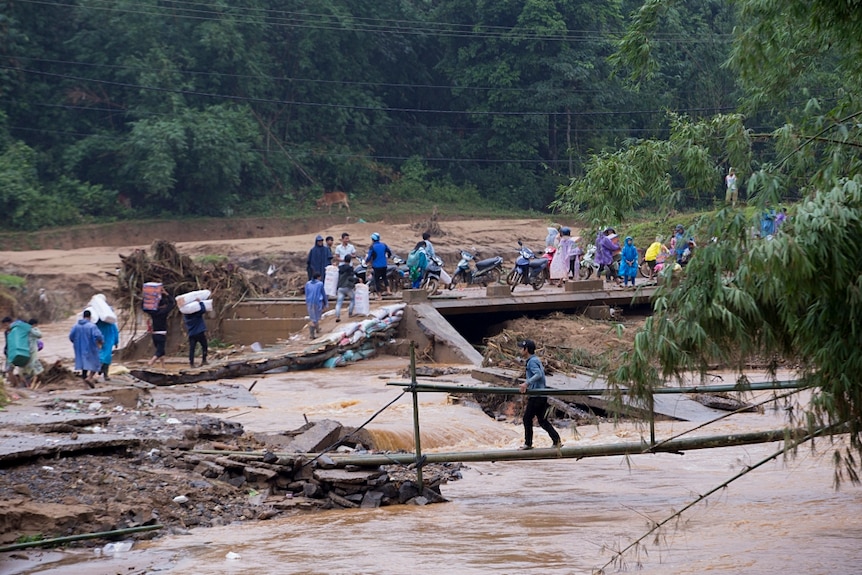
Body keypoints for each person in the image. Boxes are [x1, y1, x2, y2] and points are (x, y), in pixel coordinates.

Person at [517, 339, 562, 450]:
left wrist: (526, 384)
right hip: (541, 395)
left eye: (521, 348)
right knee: (542, 420)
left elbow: (538, 374)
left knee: (527, 419)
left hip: (537, 396)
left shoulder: (532, 361)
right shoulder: (534, 360)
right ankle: (557, 441)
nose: (519, 350)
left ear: (526, 349)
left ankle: (528, 444)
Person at [69, 309, 103, 388]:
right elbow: (98, 336)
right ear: (90, 317)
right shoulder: (92, 326)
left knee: (84, 365)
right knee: (96, 363)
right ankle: (89, 377)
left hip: (79, 349)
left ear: (83, 316)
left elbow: (71, 337)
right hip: (91, 347)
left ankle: (85, 384)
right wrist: (101, 341)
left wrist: (76, 343)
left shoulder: (75, 326)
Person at [144, 287, 174, 369]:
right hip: (161, 334)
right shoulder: (164, 312)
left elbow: (144, 307)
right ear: (164, 305)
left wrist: (147, 297)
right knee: (159, 351)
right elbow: (172, 303)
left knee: (161, 350)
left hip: (154, 334)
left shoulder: (153, 312)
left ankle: (163, 366)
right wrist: (166, 293)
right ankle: (151, 362)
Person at [365, 232, 393, 299]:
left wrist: (366, 261)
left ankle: (379, 296)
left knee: (376, 280)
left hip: (376, 266)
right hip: (384, 264)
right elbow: (389, 252)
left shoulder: (372, 247)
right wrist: (388, 257)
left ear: (372, 239)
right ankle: (388, 290)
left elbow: (369, 256)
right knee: (384, 277)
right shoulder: (383, 245)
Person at [183, 300, 208, 368]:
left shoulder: (186, 316)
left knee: (192, 349)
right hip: (199, 332)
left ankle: (191, 363)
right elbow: (203, 309)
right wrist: (200, 302)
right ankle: (204, 360)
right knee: (204, 345)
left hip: (192, 334)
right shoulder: (197, 314)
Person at [334, 255, 358, 322]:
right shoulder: (350, 268)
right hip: (347, 287)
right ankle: (350, 313)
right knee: (353, 299)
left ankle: (337, 316)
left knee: (339, 302)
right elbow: (351, 278)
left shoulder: (340, 268)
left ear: (344, 260)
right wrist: (357, 280)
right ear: (350, 260)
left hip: (340, 287)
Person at [305, 271, 328, 339]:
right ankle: (312, 334)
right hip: (317, 302)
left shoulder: (308, 283)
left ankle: (317, 329)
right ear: (318, 277)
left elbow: (306, 293)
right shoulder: (320, 284)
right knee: (316, 318)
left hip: (309, 302)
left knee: (313, 317)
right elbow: (323, 294)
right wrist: (326, 303)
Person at [22, 318, 44, 388]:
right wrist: (35, 328)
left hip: (26, 350)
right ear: (34, 324)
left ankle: (29, 383)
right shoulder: (31, 330)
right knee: (33, 366)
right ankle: (31, 383)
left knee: (28, 367)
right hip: (32, 351)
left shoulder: (25, 330)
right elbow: (40, 335)